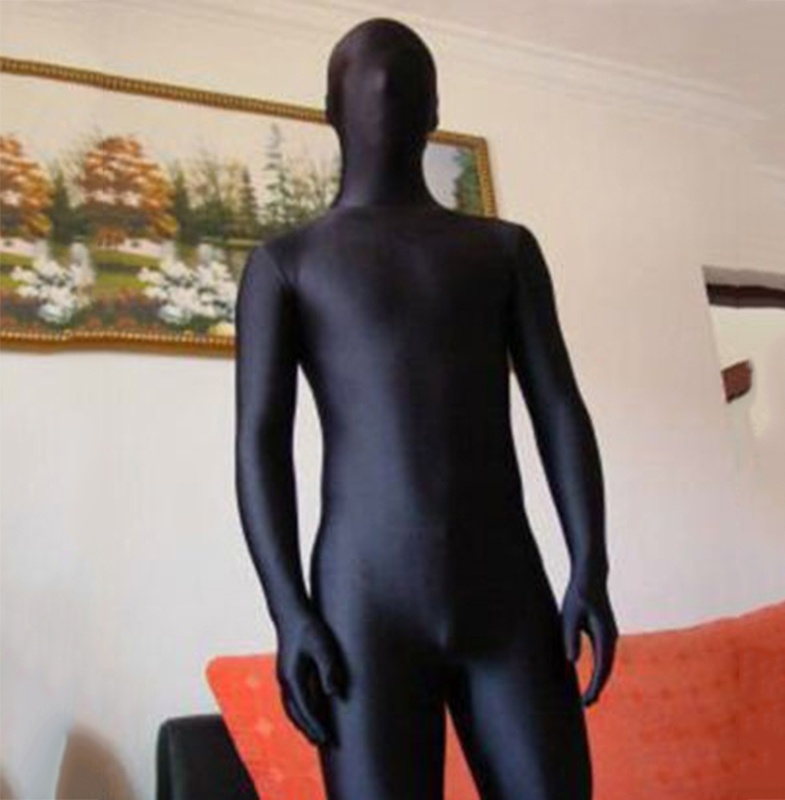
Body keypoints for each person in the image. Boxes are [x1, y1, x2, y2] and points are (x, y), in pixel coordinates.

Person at [234, 17, 618, 799]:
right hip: (362, 614)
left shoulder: (505, 250)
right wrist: (288, 612)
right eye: (369, 89)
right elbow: (259, 447)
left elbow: (559, 409)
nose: (385, 101)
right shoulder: (284, 266)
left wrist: (592, 566)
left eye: (401, 89)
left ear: (434, 111)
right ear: (331, 112)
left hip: (501, 599)